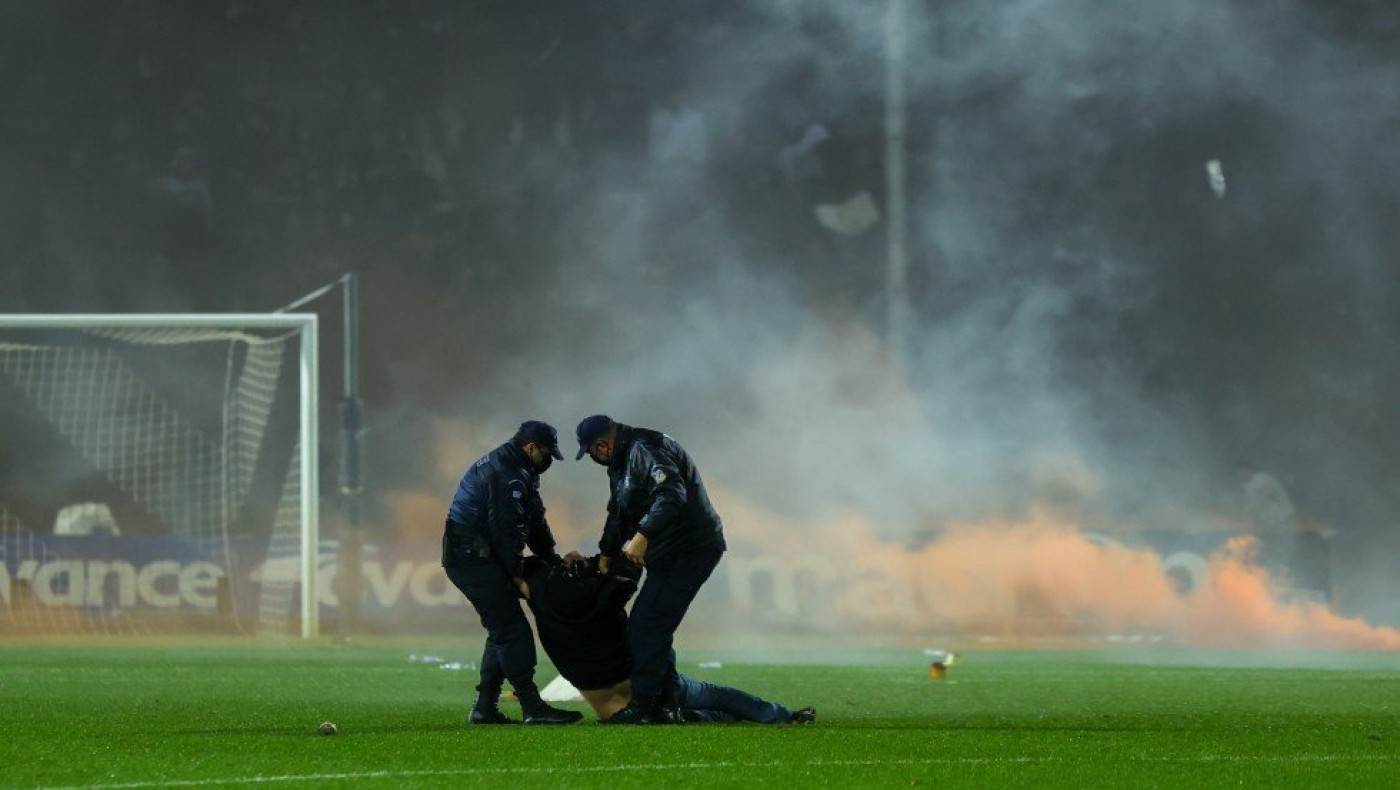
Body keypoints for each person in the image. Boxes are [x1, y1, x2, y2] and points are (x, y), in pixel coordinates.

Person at [520, 555, 814, 725]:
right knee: (713, 694)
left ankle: (725, 716)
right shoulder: (606, 596)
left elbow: (513, 573)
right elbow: (627, 566)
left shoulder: (541, 596)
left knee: (701, 711)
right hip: (647, 683)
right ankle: (783, 716)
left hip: (614, 710)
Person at [574, 414, 727, 724]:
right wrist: (606, 553)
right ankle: (667, 703)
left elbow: (672, 494)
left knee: (647, 625)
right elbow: (619, 511)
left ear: (602, 445)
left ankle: (645, 705)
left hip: (689, 550)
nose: (592, 458)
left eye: (589, 452)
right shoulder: (624, 458)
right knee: (651, 624)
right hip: (673, 551)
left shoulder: (644, 450)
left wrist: (642, 536)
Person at [442, 420, 582, 725]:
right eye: (546, 453)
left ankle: (484, 708)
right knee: (512, 629)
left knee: (501, 628)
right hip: (472, 558)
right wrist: (517, 575)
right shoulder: (506, 474)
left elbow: (534, 520)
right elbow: (507, 530)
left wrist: (551, 558)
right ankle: (532, 706)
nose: (548, 461)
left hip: (475, 555)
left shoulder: (519, 468)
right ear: (531, 447)